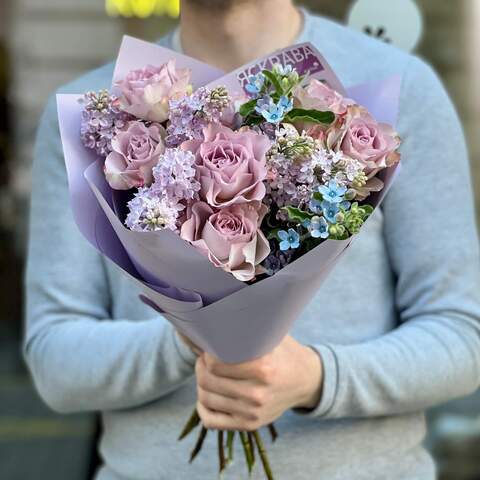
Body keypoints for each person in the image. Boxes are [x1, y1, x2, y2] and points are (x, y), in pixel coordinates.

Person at [25, 1, 480, 479]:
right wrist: (192, 336)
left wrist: (316, 380)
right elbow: (54, 361)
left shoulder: (398, 87)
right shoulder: (93, 114)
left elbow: (461, 336)